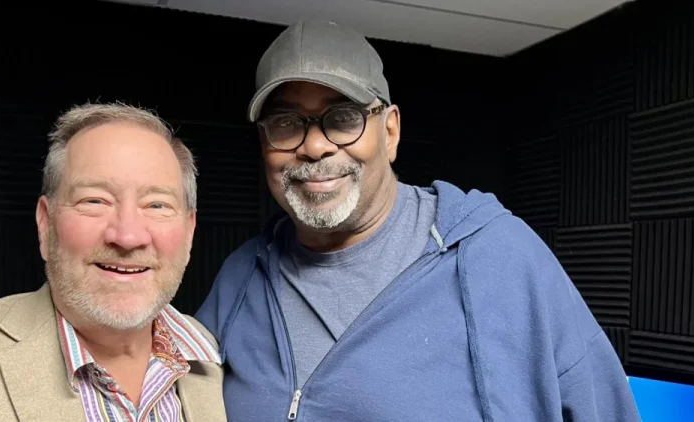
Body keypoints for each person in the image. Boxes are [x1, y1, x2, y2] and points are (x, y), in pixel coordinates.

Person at [195, 18, 640, 421]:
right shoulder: (240, 278)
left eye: (343, 118)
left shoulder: (501, 258)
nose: (314, 147)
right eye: (286, 123)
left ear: (389, 132)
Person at [0, 103, 226, 422]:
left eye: (157, 205)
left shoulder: (208, 359)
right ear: (46, 223)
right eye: (95, 200)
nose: (128, 235)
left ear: (189, 231)